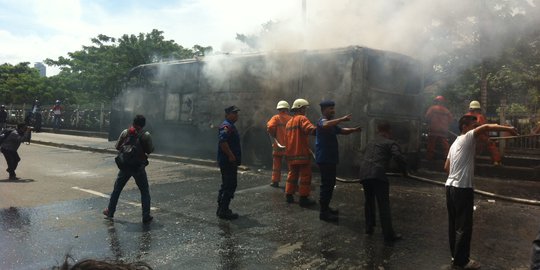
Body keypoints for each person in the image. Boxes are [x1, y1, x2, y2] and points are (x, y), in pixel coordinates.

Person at [444, 115, 517, 269]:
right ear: (464, 126)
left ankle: (455, 257)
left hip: (449, 186)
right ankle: (462, 261)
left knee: (454, 225)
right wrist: (508, 129)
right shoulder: (467, 137)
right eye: (473, 124)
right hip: (462, 188)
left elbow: (446, 167)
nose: (476, 128)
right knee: (464, 226)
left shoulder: (454, 143)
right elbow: (486, 128)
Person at [358, 122, 407, 242]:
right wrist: (404, 171)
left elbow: (362, 151)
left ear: (378, 130)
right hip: (378, 175)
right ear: (388, 131)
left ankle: (369, 228)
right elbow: (398, 157)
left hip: (364, 174)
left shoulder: (371, 142)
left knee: (369, 202)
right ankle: (388, 235)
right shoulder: (391, 143)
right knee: (383, 205)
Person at [103, 115, 154, 223]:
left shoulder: (125, 132)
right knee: (144, 191)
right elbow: (149, 150)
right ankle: (146, 215)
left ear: (133, 122)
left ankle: (110, 211)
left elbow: (117, 146)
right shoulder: (146, 135)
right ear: (143, 124)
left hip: (125, 166)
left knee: (117, 189)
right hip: (138, 167)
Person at [315, 100, 361, 222]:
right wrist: (342, 119)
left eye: (333, 108)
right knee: (326, 185)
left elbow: (342, 131)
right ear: (324, 110)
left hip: (330, 159)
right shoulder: (322, 121)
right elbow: (325, 125)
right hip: (324, 159)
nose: (333, 111)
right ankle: (323, 213)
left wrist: (354, 130)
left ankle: (326, 208)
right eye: (331, 109)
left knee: (330, 185)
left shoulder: (332, 125)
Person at [285, 98, 316, 206]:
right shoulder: (302, 118)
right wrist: (319, 130)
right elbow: (309, 129)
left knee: (292, 174)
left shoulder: (289, 122)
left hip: (291, 154)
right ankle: (303, 198)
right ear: (300, 108)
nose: (305, 110)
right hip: (302, 154)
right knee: (305, 175)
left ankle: (289, 195)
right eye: (304, 108)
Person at [217, 105, 242, 220]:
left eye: (237, 113)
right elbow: (223, 142)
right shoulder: (226, 126)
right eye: (234, 113)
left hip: (228, 161)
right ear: (227, 114)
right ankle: (224, 210)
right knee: (230, 184)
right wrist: (231, 156)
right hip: (228, 161)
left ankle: (221, 208)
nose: (236, 115)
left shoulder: (230, 125)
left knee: (226, 184)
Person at [465, 100, 502, 166]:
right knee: (491, 145)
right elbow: (484, 128)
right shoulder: (480, 117)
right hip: (479, 138)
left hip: (468, 138)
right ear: (478, 109)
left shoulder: (465, 116)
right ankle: (496, 161)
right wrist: (487, 137)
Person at [266, 100, 292, 188]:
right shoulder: (291, 119)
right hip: (288, 146)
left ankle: (275, 181)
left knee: (277, 164)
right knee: (290, 165)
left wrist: (274, 134)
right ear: (287, 109)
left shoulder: (276, 118)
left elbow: (269, 127)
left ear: (279, 109)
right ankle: (291, 182)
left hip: (278, 146)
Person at [424, 95, 453, 160]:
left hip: (433, 129)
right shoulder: (446, 110)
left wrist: (428, 124)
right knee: (445, 144)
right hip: (443, 130)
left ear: (436, 101)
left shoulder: (432, 108)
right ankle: (447, 157)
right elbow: (451, 120)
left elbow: (427, 117)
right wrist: (446, 125)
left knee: (431, 144)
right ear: (443, 102)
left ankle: (429, 157)